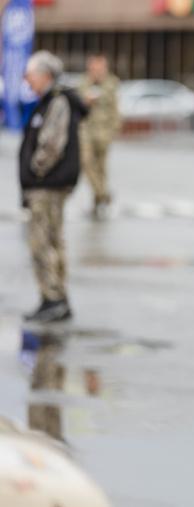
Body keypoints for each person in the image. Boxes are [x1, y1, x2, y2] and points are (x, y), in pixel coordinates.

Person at [19, 50, 88, 323]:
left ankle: (53, 298)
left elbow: (51, 144)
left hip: (47, 185)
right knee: (52, 240)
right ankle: (56, 298)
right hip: (49, 183)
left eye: (30, 75)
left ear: (45, 75)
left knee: (43, 242)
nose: (27, 80)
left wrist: (35, 172)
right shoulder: (51, 100)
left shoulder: (57, 101)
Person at [78, 53, 121, 220]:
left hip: (103, 131)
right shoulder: (83, 83)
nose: (96, 71)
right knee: (86, 162)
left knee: (101, 168)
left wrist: (113, 130)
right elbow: (78, 105)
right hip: (86, 130)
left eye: (100, 68)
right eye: (93, 68)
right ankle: (103, 194)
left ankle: (97, 203)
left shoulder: (111, 84)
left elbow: (115, 110)